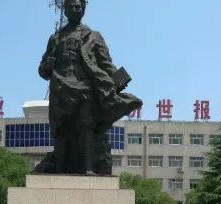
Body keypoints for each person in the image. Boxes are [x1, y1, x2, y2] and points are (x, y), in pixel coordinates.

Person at [33, 0, 142, 175]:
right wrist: (47, 66)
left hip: (84, 88)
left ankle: (89, 168)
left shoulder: (93, 36)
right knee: (61, 129)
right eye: (71, 6)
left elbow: (106, 64)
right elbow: (43, 71)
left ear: (83, 9)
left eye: (79, 6)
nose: (75, 9)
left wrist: (117, 81)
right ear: (65, 10)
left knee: (86, 126)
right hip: (60, 89)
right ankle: (60, 169)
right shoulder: (55, 38)